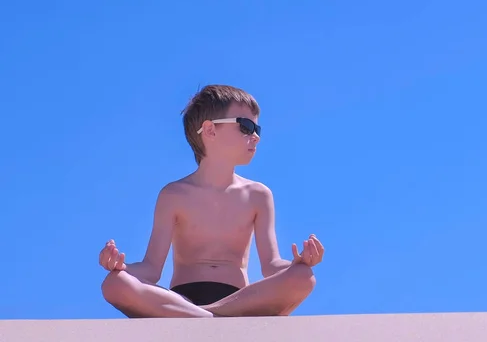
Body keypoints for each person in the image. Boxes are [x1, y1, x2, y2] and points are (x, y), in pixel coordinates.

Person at [99, 84, 324, 318]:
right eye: (246, 126)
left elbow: (271, 266)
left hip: (239, 300)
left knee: (303, 277)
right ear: (210, 131)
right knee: (114, 283)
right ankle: (207, 318)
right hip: (181, 299)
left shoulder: (258, 195)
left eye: (257, 128)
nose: (255, 136)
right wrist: (121, 268)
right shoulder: (174, 194)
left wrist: (298, 263)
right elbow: (151, 269)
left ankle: (202, 316)